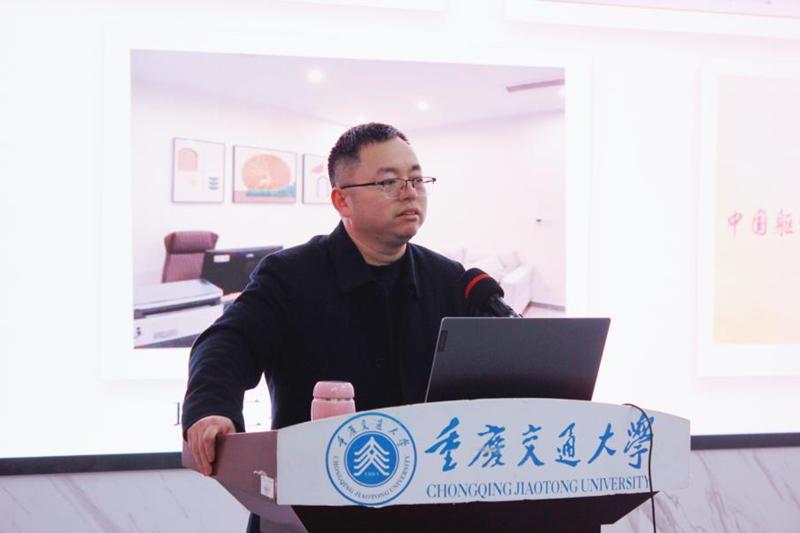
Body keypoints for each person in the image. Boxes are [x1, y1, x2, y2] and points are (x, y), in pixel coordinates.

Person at [181, 122, 467, 532]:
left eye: (417, 180)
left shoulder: (450, 279)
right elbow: (228, 341)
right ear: (341, 200)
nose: (410, 192)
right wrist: (213, 407)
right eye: (389, 182)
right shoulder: (290, 275)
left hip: (423, 509)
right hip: (308, 512)